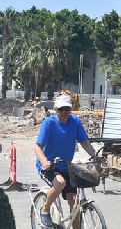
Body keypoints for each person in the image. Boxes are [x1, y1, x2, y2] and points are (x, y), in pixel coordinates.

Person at [35, 95, 96, 228]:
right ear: (56, 109)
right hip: (48, 166)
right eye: (61, 109)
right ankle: (44, 210)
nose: (64, 112)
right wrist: (45, 161)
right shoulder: (49, 123)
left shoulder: (75, 121)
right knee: (60, 183)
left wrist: (95, 156)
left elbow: (84, 142)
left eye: (67, 109)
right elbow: (38, 147)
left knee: (74, 202)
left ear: (71, 109)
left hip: (66, 166)